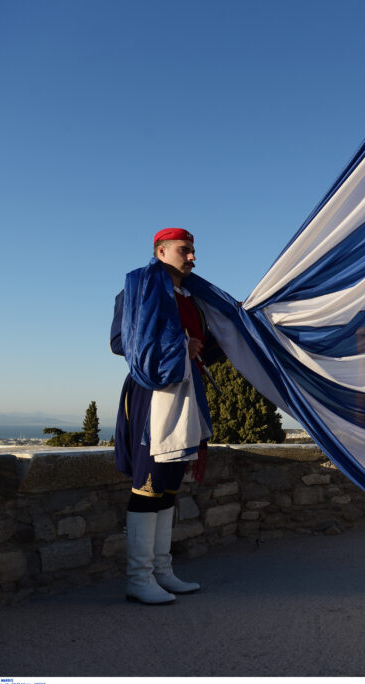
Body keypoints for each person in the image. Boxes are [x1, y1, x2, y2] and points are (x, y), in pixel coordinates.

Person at [110, 228, 223, 605]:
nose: (192, 258)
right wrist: (178, 345)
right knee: (148, 483)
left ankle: (161, 571)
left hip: (187, 394)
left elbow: (206, 346)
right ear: (160, 251)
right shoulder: (137, 291)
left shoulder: (191, 298)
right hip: (153, 394)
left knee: (169, 483)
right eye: (184, 251)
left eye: (193, 251)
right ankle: (137, 578)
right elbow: (119, 342)